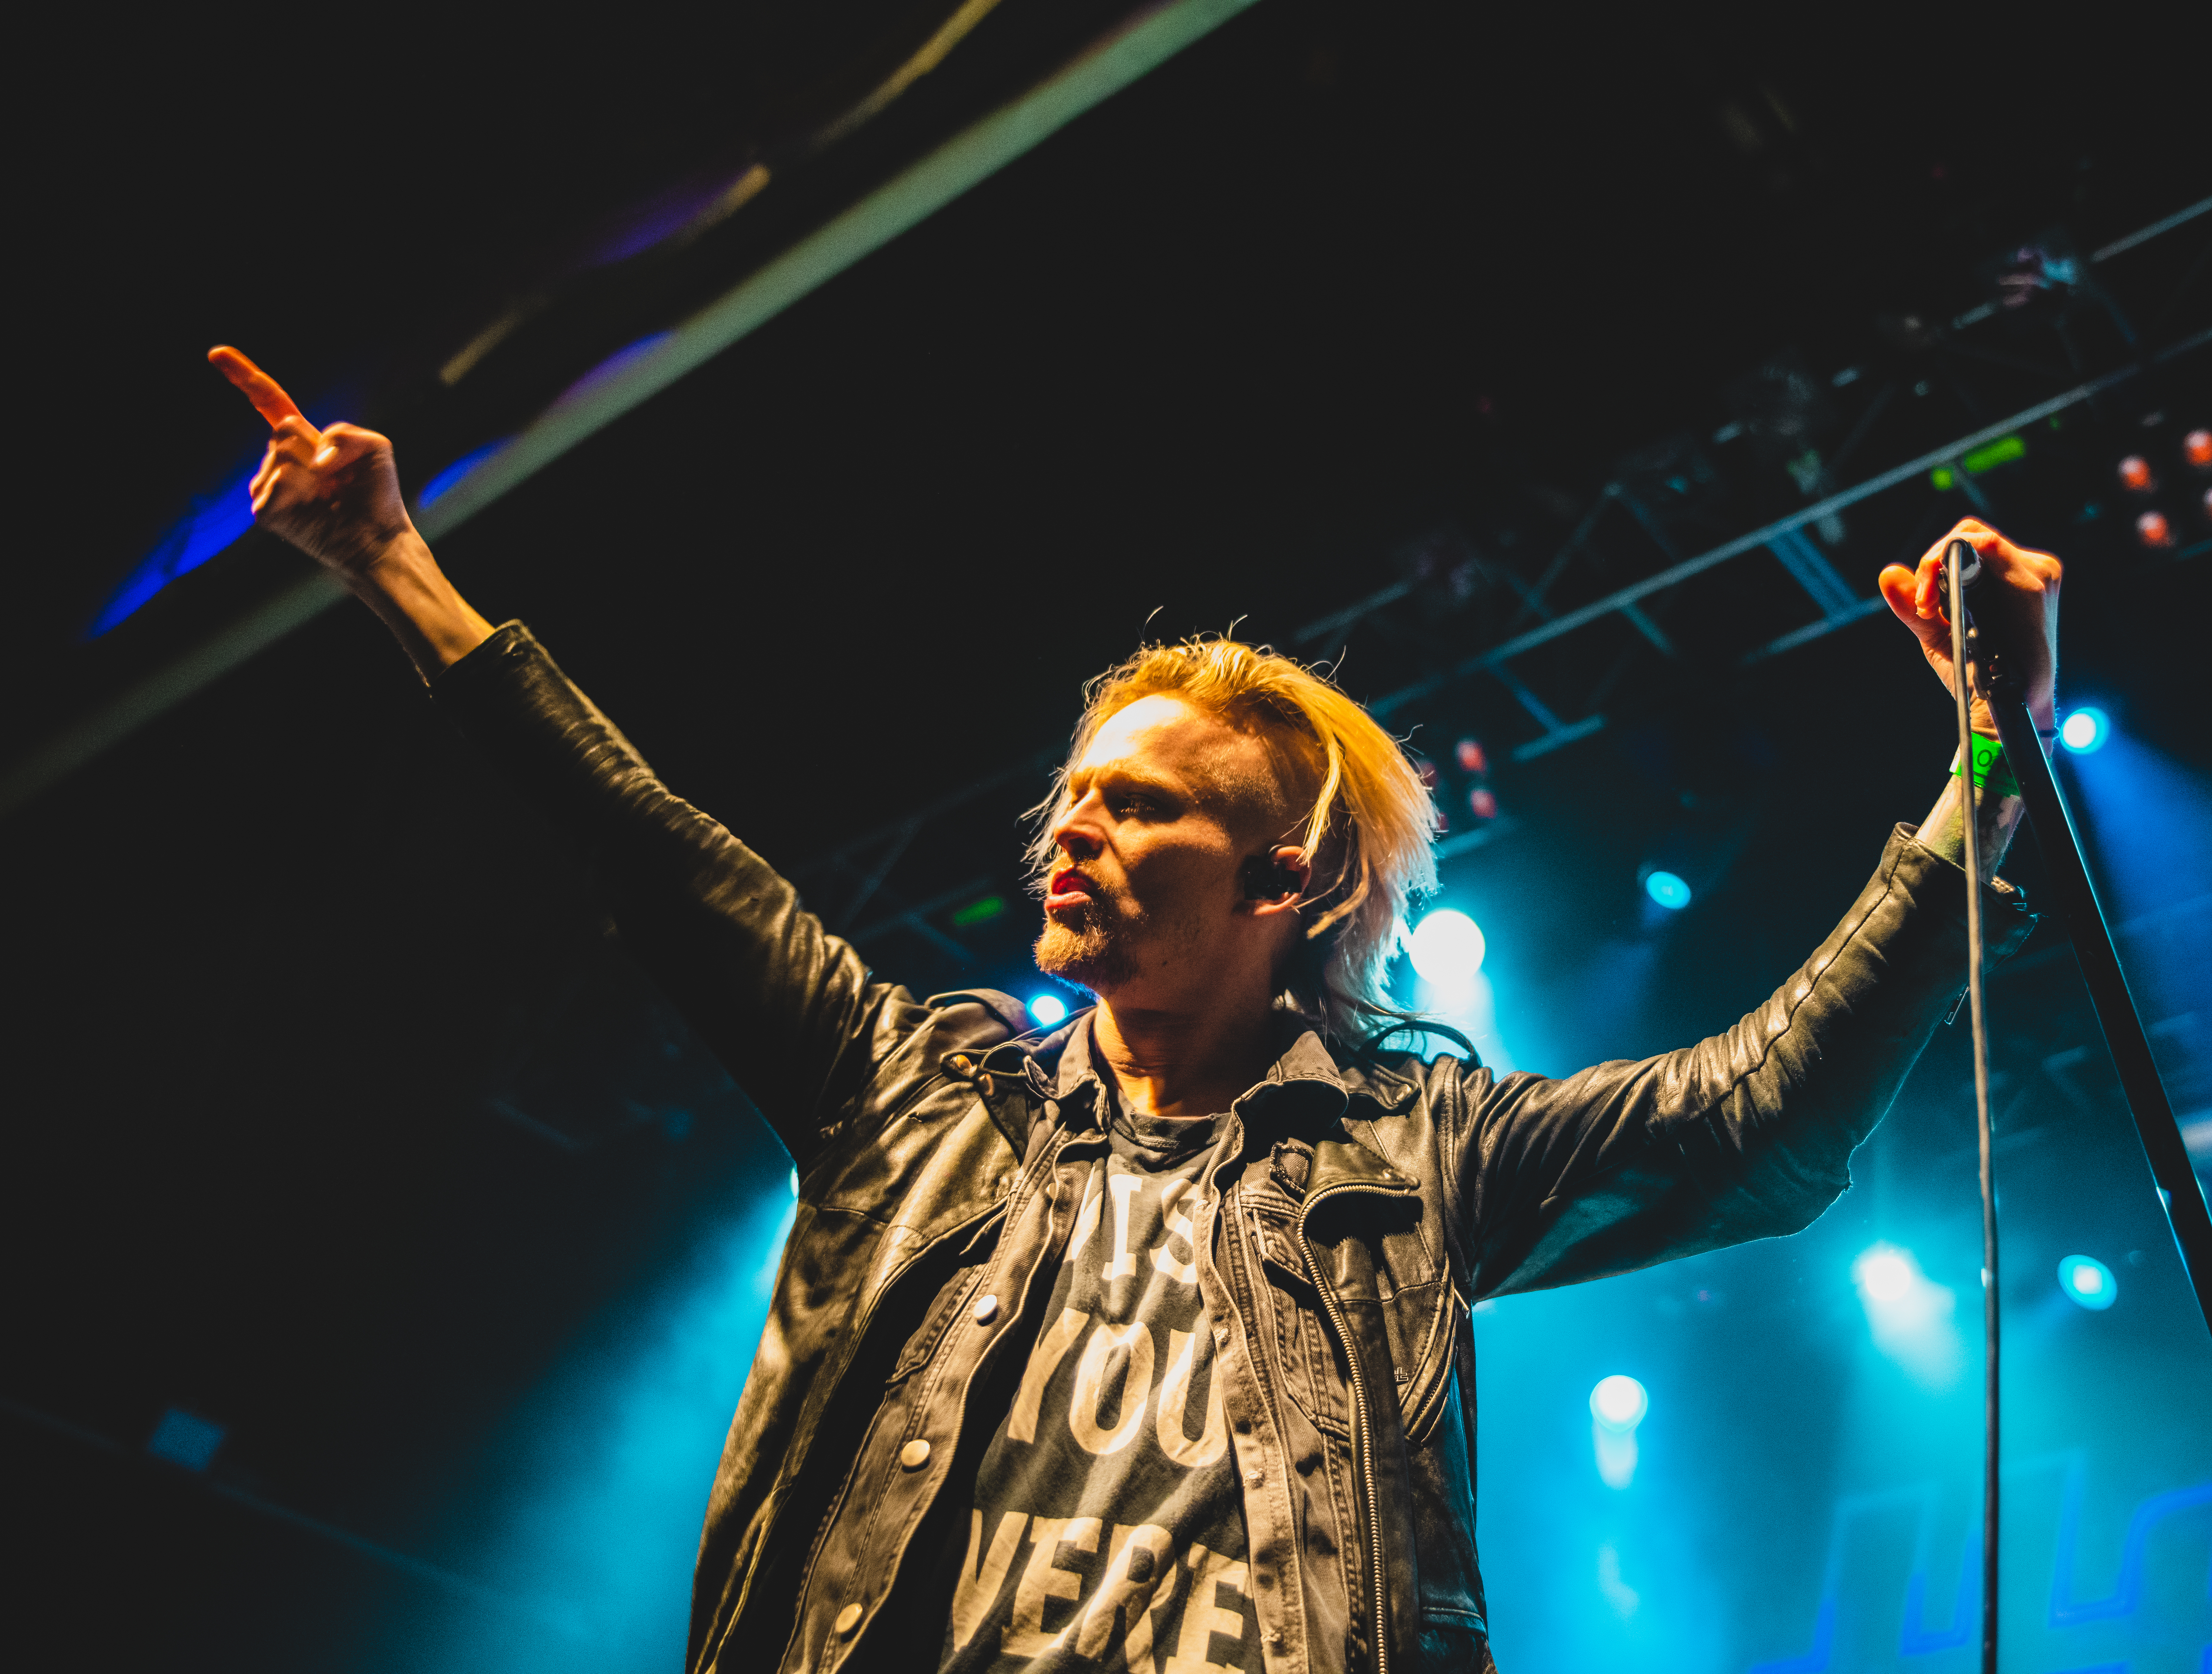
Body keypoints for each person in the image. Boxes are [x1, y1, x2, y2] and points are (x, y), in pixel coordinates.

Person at [208, 346, 2058, 1674]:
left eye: (1144, 800)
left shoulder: (1421, 1152)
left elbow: (1763, 1122)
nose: (1073, 823)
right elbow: (664, 862)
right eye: (1073, 794)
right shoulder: (912, 1099)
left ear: (1291, 882)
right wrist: (394, 565)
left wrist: (1989, 759)